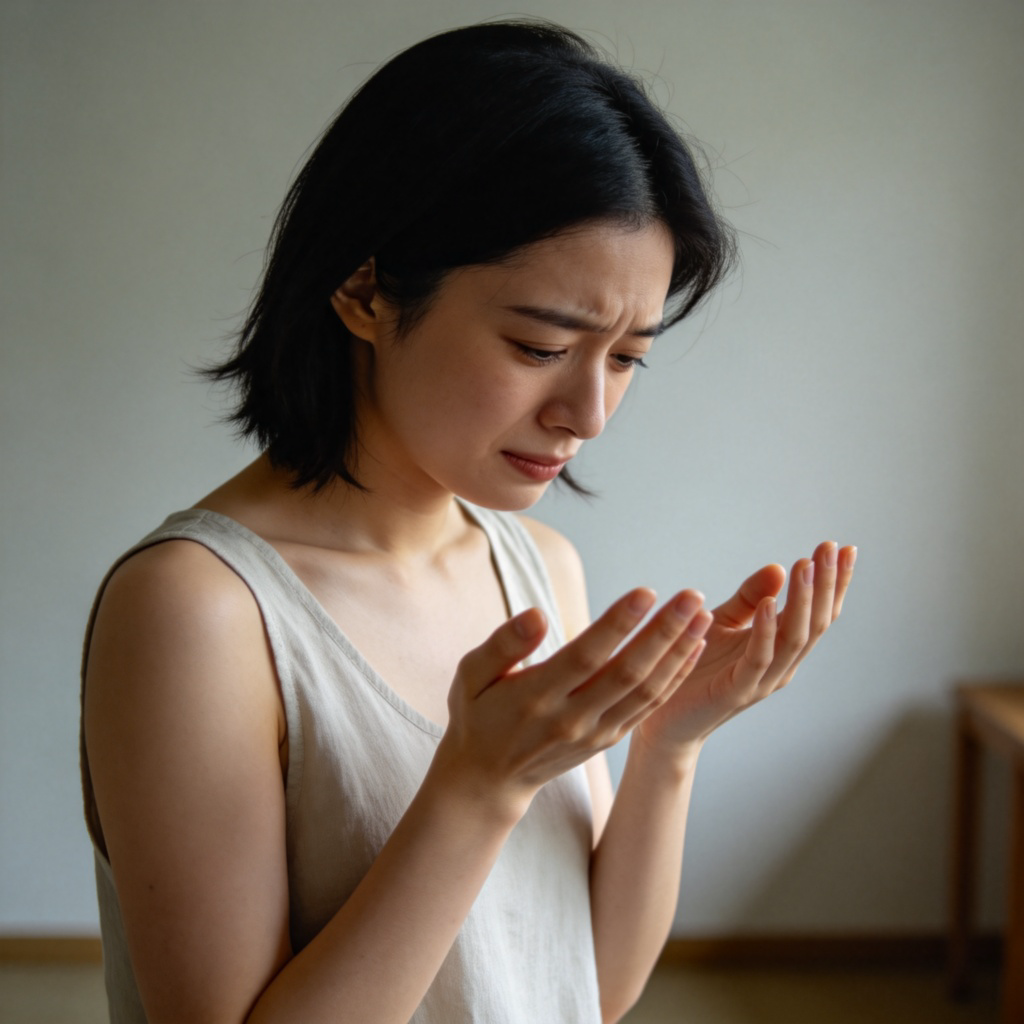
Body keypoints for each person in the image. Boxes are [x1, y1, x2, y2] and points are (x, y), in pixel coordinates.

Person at [80, 19, 855, 1024]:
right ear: (363, 287)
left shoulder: (537, 567)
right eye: (540, 346)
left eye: (626, 358)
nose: (589, 413)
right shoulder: (196, 611)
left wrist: (669, 740)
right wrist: (475, 788)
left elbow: (579, 989)